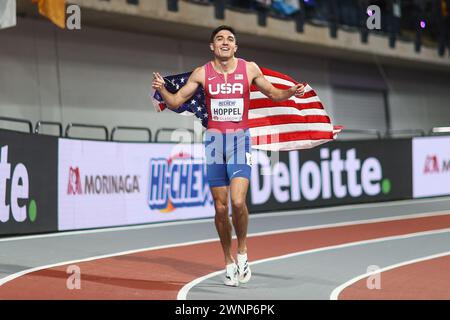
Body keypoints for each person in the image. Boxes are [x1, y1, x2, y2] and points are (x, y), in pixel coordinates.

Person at [152, 25, 305, 287]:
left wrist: (291, 92)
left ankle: (243, 251)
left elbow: (272, 93)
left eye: (230, 39)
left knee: (237, 201)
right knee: (220, 208)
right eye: (220, 39)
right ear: (212, 46)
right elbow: (176, 101)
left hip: (240, 140)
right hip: (214, 142)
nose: (225, 42)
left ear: (236, 47)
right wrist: (162, 90)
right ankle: (228, 261)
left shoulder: (250, 69)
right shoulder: (202, 73)